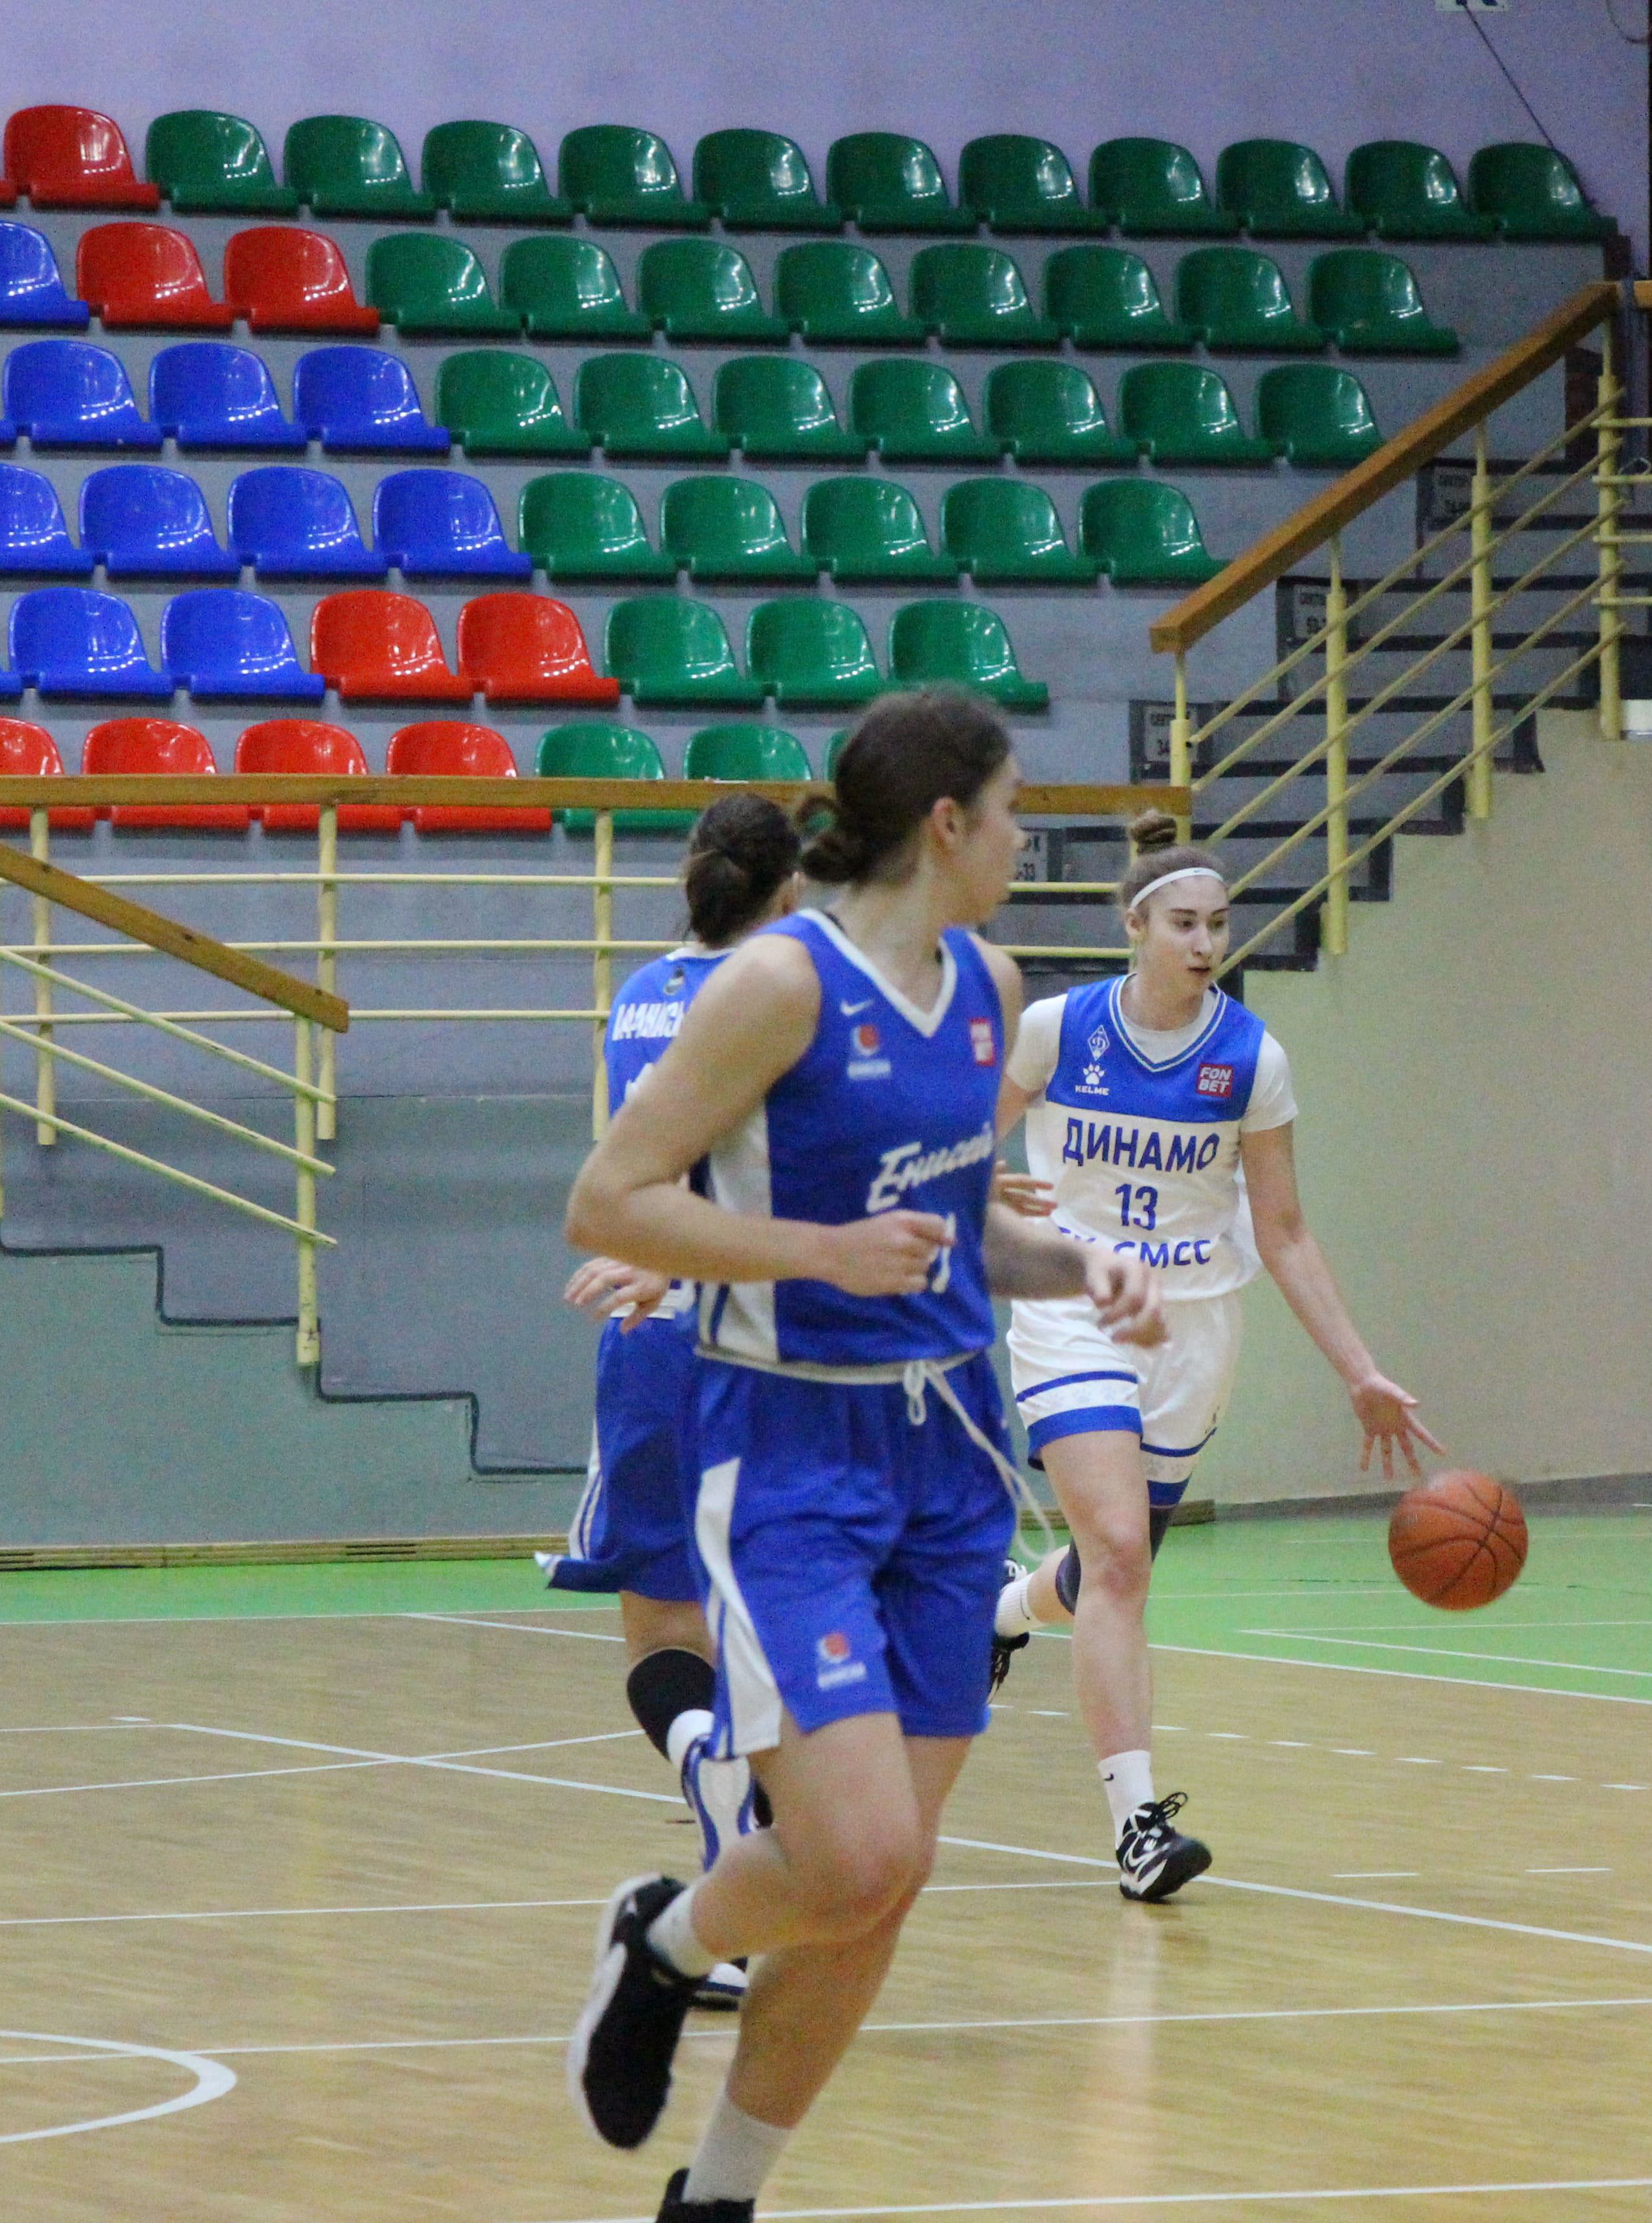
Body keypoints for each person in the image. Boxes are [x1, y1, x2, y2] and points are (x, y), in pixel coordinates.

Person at [558, 691, 1169, 2223]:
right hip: (790, 1453)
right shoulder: (779, 983)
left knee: (888, 1878)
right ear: (946, 824)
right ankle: (665, 1942)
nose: (1027, 838)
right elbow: (610, 1201)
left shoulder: (990, 987)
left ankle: (719, 2197)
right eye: (1013, 810)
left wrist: (1078, 1261)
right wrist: (816, 1249)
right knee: (852, 1847)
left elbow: (954, 1232)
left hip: (946, 1456)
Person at [986, 812, 1438, 1899]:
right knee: (1118, 1555)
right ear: (1135, 927)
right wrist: (968, 1181)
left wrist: (1360, 1370)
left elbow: (1284, 1231)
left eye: (1218, 925)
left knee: (1112, 1570)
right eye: (1183, 923)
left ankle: (996, 1613)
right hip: (1073, 1306)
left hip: (1194, 1326)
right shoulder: (1056, 1030)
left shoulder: (1250, 1058)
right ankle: (1136, 1826)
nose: (1204, 942)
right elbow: (952, 1136)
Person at [548, 796, 803, 2011]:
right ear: (789, 890)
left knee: (661, 1637)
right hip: (766, 1336)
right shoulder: (792, 996)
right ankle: (751, 1889)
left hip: (649, 1340)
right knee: (770, 1624)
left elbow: (626, 1171)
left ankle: (715, 1818)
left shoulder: (641, 994)